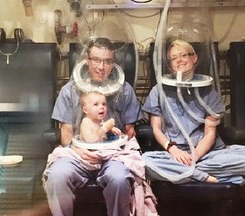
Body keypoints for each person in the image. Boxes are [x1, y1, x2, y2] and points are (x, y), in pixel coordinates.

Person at [43, 37, 145, 216]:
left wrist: (111, 151)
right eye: (96, 60)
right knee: (57, 176)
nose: (101, 67)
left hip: (113, 154)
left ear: (113, 64)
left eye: (107, 61)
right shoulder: (70, 91)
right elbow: (66, 134)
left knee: (120, 178)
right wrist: (80, 151)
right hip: (77, 154)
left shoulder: (125, 90)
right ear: (87, 60)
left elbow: (130, 132)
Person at [142, 39, 245, 185]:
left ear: (194, 58)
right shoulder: (158, 91)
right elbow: (156, 130)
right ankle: (211, 177)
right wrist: (173, 150)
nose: (179, 61)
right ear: (170, 65)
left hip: (207, 154)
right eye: (173, 58)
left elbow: (210, 133)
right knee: (144, 162)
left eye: (183, 55)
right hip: (173, 154)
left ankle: (186, 173)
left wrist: (194, 157)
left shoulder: (209, 93)